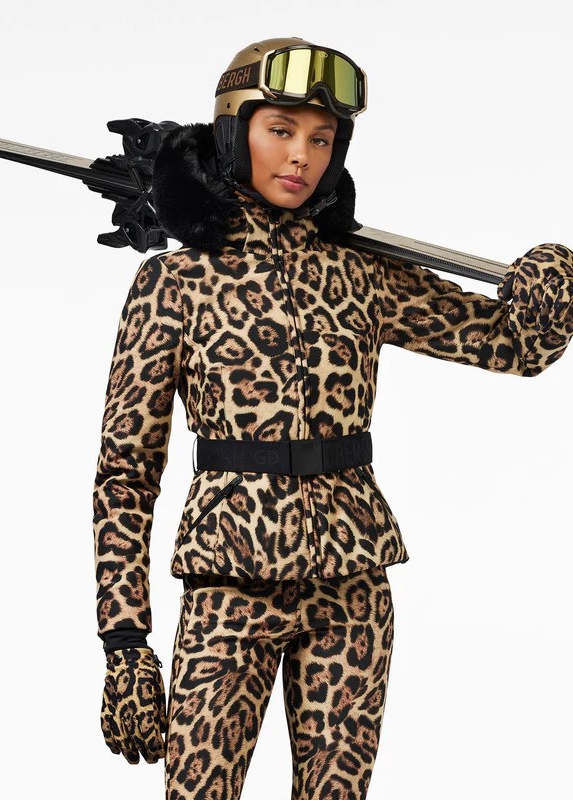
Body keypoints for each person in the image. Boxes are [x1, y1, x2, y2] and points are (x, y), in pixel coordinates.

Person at [93, 37, 573, 800]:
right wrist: (124, 642)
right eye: (280, 130)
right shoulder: (175, 283)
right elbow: (125, 471)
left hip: (352, 586)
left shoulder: (361, 272)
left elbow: (509, 345)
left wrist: (552, 290)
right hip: (228, 583)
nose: (302, 156)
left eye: (322, 139)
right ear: (233, 133)